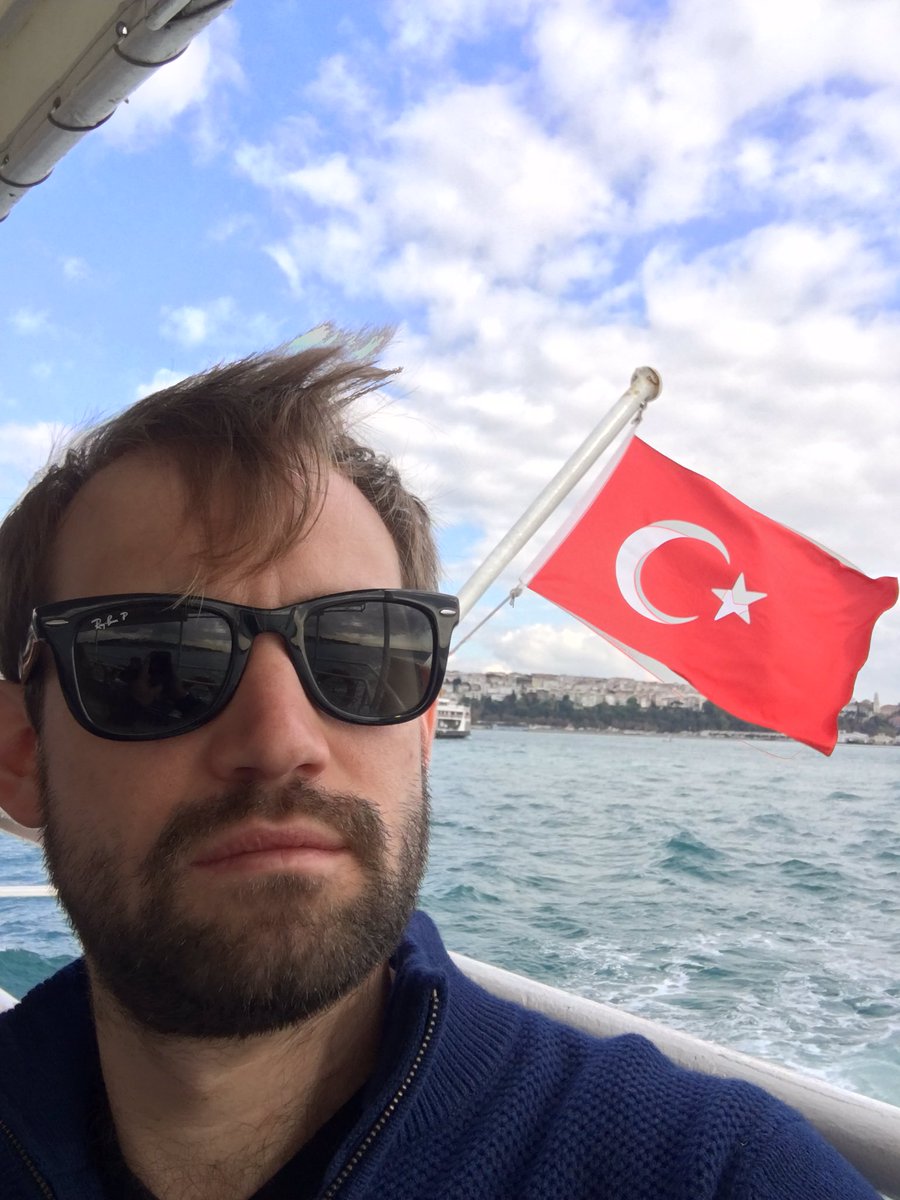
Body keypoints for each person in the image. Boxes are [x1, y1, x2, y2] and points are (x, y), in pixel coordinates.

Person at [0, 330, 880, 1200]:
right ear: (21, 755)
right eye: (157, 666)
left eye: (362, 658)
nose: (282, 741)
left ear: (421, 732)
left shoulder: (712, 1172)